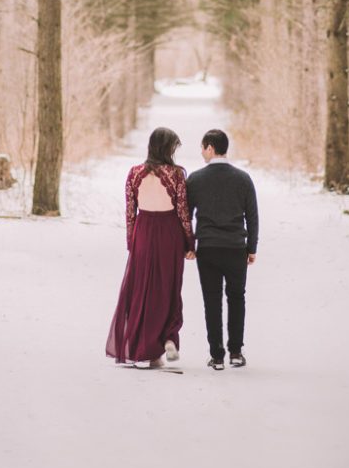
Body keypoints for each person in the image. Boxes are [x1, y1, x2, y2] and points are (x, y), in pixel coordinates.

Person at [106, 127, 196, 368]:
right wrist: (190, 242)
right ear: (167, 148)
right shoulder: (176, 174)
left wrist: (131, 242)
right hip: (170, 233)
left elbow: (129, 212)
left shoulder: (135, 173)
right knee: (168, 287)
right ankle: (168, 338)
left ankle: (142, 348)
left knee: (141, 289)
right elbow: (183, 213)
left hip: (143, 232)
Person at [186, 128, 258, 370]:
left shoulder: (195, 179)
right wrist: (252, 248)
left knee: (212, 300)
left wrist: (190, 245)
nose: (201, 153)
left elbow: (186, 216)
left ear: (210, 148)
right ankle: (236, 352)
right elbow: (252, 217)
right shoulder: (243, 179)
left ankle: (217, 355)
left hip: (208, 247)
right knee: (237, 298)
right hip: (236, 247)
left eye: (202, 148)